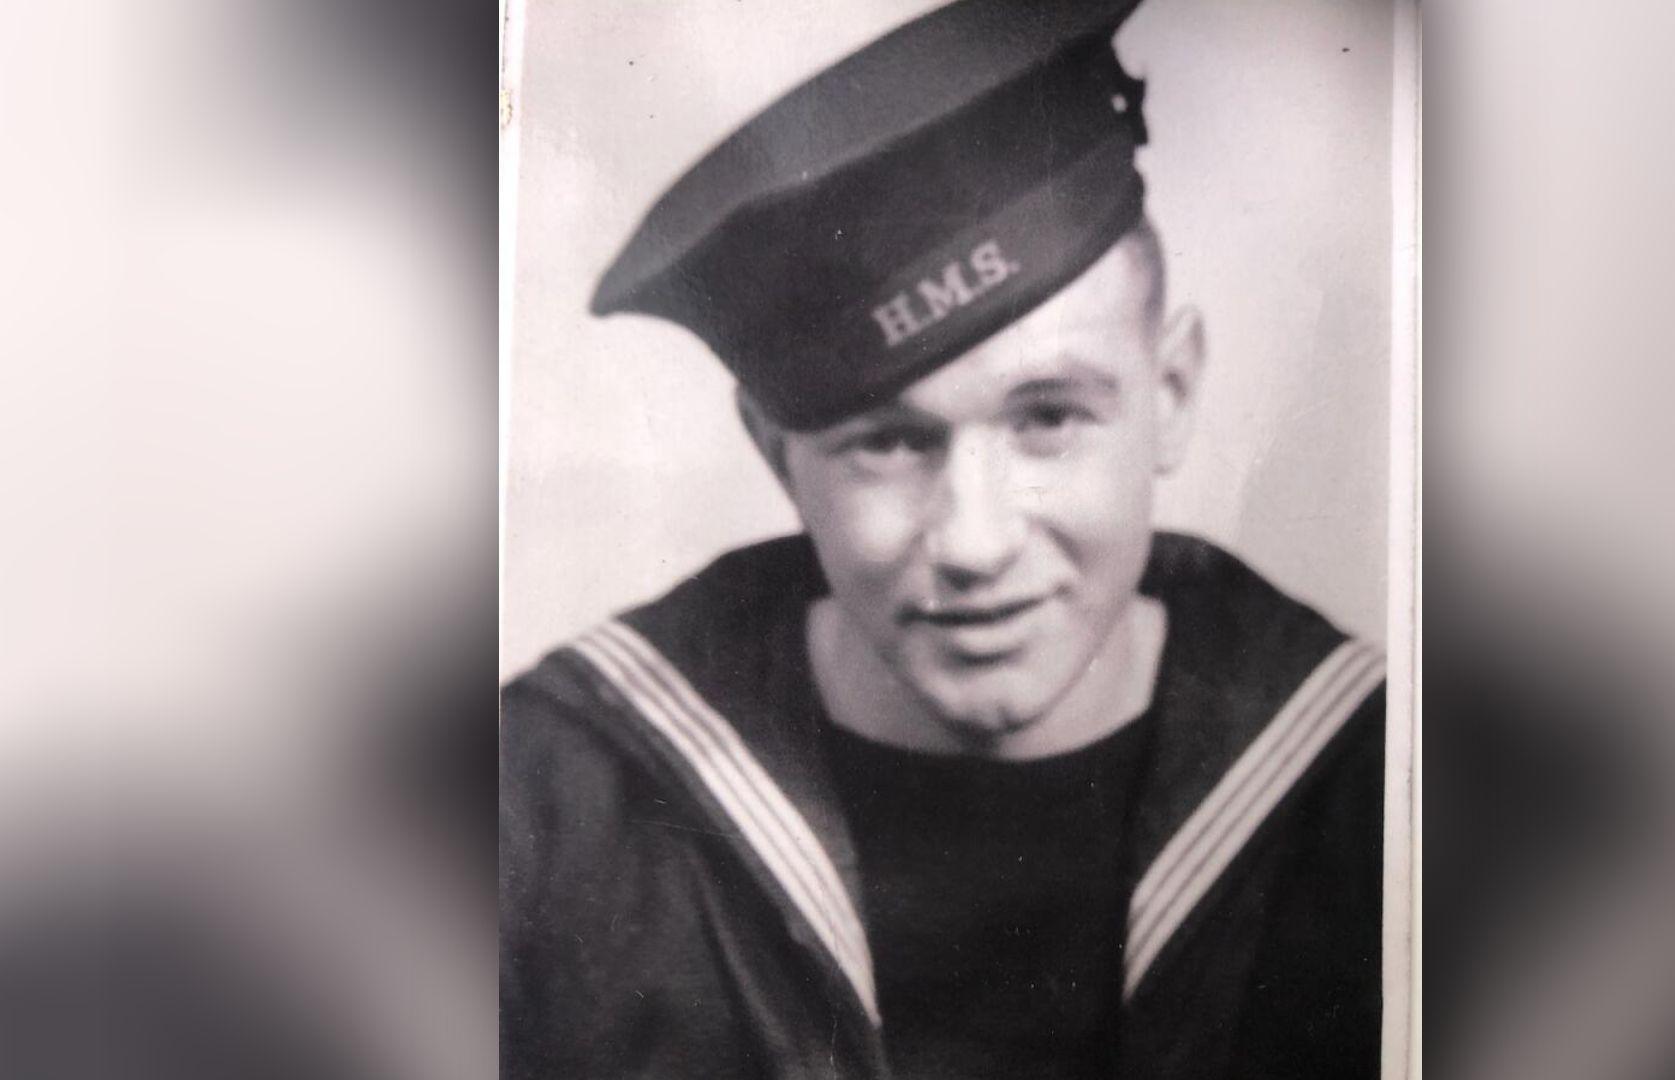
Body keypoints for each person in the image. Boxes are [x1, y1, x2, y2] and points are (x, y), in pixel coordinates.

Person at [500, 2, 1386, 1077]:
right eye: (888, 443)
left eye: (1049, 417)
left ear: (1175, 390)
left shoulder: (1387, 796)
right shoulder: (554, 806)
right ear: (778, 457)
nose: (974, 542)